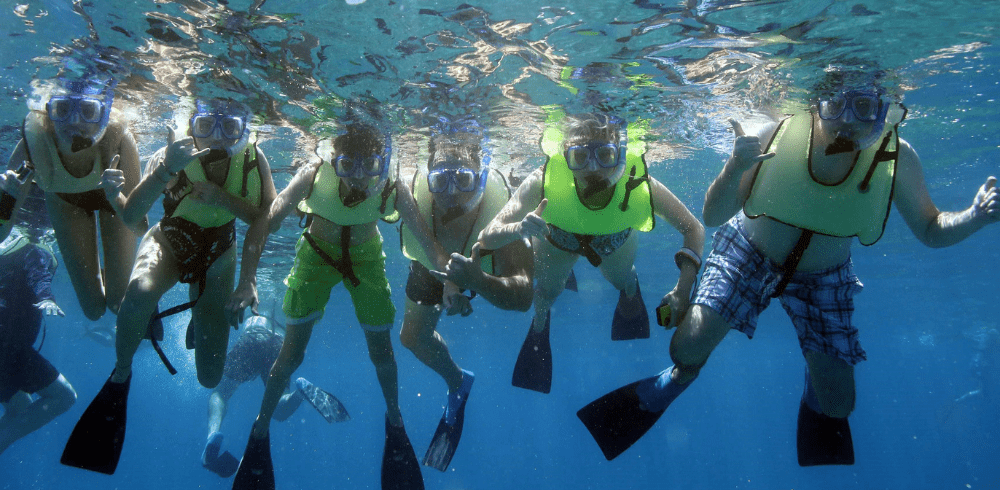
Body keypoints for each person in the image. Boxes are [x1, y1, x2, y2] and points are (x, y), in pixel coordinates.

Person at [578, 67, 1000, 464]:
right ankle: (672, 383)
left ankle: (815, 368)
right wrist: (735, 167)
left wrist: (974, 216)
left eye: (866, 110)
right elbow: (710, 216)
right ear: (815, 105)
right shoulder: (773, 134)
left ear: (883, 112)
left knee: (839, 405)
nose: (847, 124)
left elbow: (930, 229)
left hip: (824, 275)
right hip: (749, 251)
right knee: (684, 349)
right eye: (835, 107)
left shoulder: (896, 157)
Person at [61, 98, 277, 475]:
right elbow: (131, 217)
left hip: (220, 254)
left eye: (230, 129)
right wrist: (158, 174)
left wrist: (248, 279)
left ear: (245, 130)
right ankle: (121, 374)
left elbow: (266, 219)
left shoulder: (255, 161)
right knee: (140, 294)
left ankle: (200, 308)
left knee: (210, 377)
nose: (216, 139)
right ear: (191, 124)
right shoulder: (169, 153)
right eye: (206, 125)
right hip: (169, 241)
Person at [232, 123, 439, 490]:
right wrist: (247, 278)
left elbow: (426, 239)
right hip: (315, 254)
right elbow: (268, 220)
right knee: (291, 354)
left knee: (382, 351)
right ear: (333, 160)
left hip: (367, 258)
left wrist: (451, 280)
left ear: (384, 163)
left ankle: (396, 421)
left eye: (370, 167)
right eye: (346, 166)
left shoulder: (393, 186)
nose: (357, 179)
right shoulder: (312, 173)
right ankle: (260, 428)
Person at [478, 112, 704, 393]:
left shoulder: (638, 184)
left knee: (621, 280)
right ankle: (539, 323)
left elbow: (693, 228)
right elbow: (487, 236)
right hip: (557, 240)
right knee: (546, 294)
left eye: (606, 156)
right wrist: (518, 230)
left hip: (613, 241)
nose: (592, 168)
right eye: (580, 158)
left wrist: (683, 289)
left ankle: (630, 287)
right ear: (565, 157)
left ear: (620, 156)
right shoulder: (541, 181)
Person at [398, 127, 533, 471]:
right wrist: (449, 284)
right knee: (411, 338)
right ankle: (458, 381)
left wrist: (479, 281)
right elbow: (429, 250)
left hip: (482, 264)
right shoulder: (414, 196)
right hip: (432, 264)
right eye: (440, 181)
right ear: (427, 177)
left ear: (482, 176)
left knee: (540, 277)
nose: (450, 193)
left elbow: (523, 297)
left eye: (463, 179)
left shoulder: (503, 207)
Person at [6, 70, 141, 320]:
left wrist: (117, 197)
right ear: (48, 112)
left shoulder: (117, 138)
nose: (74, 122)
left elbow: (139, 222)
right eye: (62, 109)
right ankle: (111, 277)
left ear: (104, 113)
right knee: (92, 311)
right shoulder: (34, 141)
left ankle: (117, 281)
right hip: (66, 202)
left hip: (115, 201)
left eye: (88, 111)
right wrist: (4, 201)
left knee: (117, 302)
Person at [202, 314, 348, 478]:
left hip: (250, 337)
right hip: (277, 343)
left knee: (221, 392)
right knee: (279, 407)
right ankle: (300, 392)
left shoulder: (253, 297)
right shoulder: (286, 300)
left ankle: (212, 434)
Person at [0, 207, 76, 456]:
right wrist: (47, 298)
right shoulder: (36, 247)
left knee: (21, 404)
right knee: (64, 397)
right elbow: (39, 273)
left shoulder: (7, 247)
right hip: (11, 350)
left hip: (8, 347)